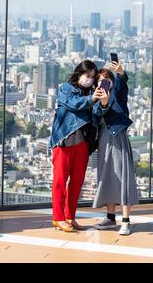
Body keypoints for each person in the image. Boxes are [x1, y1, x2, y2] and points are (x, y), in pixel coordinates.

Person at [49, 60, 108, 233]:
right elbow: (75, 104)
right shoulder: (67, 88)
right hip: (65, 140)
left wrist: (102, 102)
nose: (89, 79)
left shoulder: (92, 93)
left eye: (92, 77)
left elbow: (96, 115)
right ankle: (58, 218)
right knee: (60, 181)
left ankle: (69, 216)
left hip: (83, 141)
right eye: (87, 75)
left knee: (77, 182)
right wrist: (92, 98)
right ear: (79, 74)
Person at [92, 62, 138, 236]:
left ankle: (125, 221)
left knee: (123, 176)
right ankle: (110, 217)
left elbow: (122, 83)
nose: (103, 83)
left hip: (118, 137)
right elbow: (96, 115)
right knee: (107, 176)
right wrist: (102, 103)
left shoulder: (117, 94)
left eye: (106, 80)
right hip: (104, 140)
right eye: (100, 80)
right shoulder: (95, 98)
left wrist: (119, 72)